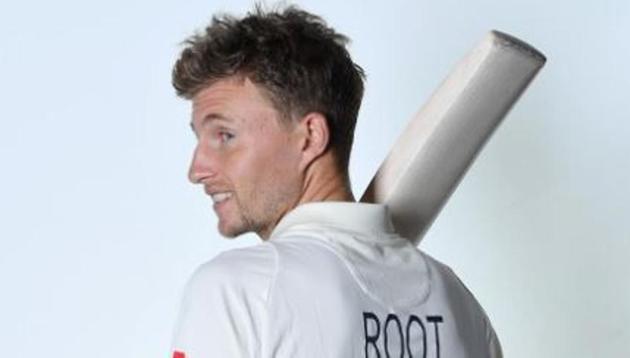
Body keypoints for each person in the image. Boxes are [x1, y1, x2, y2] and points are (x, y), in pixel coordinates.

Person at [170, 5, 502, 358]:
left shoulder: (236, 290)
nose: (197, 168)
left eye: (225, 135)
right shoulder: (459, 304)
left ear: (310, 136)